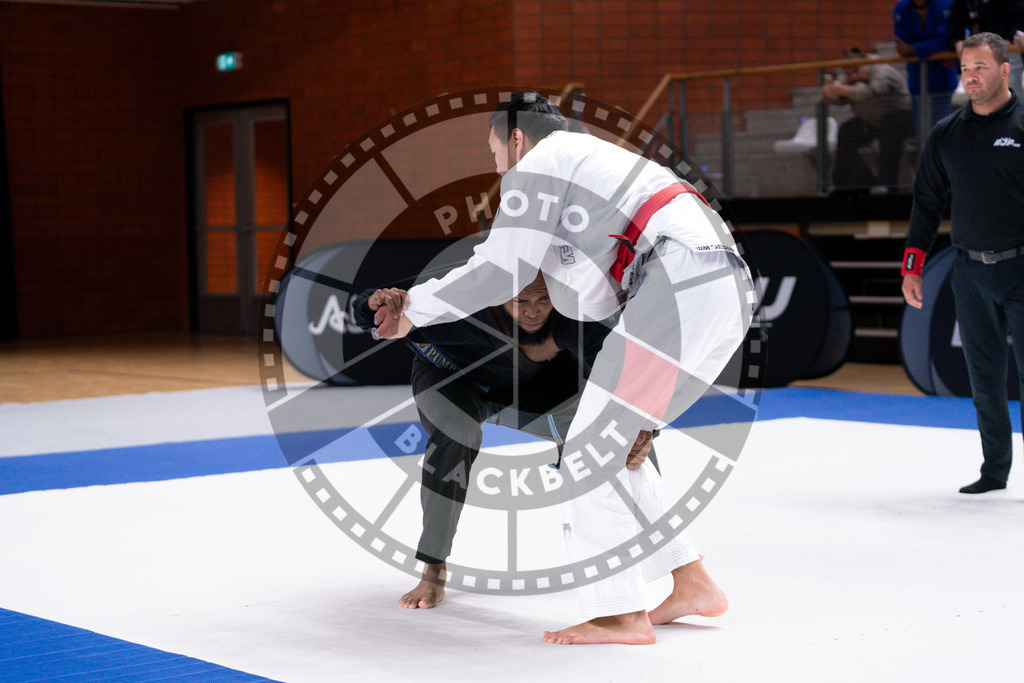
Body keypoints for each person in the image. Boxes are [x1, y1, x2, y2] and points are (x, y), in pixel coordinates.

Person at [375, 92, 752, 644]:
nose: (497, 164)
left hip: (674, 283)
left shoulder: (539, 165)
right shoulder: (597, 165)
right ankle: (690, 580)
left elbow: (500, 272)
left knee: (587, 452)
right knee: (619, 451)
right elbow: (590, 301)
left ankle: (620, 613)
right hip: (722, 289)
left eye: (494, 149)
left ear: (517, 139)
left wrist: (414, 308)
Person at [355, 274, 725, 615]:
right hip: (451, 382)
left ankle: (679, 570)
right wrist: (372, 303)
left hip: (535, 392)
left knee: (623, 441)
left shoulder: (573, 315)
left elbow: (628, 376)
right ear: (499, 297)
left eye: (542, 300)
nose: (532, 311)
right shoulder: (456, 296)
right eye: (520, 301)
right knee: (456, 436)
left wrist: (645, 431)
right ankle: (434, 567)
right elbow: (366, 308)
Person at [901, 32, 1024, 494]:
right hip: (969, 272)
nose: (971, 76)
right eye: (965, 69)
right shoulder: (947, 134)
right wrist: (912, 266)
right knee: (984, 376)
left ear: (1005, 69)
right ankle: (994, 472)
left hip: (1021, 268)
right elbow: (926, 204)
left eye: (981, 67)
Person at [823, 48, 916, 193]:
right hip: (874, 122)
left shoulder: (882, 69)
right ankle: (848, 183)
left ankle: (887, 184)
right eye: (849, 73)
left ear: (866, 63)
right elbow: (838, 96)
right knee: (847, 131)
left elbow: (873, 91)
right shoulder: (849, 78)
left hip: (904, 116)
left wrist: (844, 90)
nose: (853, 77)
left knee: (890, 127)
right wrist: (828, 94)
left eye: (856, 71)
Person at [894, 0, 960, 125]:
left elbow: (944, 40)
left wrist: (914, 49)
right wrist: (927, 48)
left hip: (942, 74)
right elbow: (902, 43)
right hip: (916, 75)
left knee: (941, 122)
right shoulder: (902, 7)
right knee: (920, 124)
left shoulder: (944, 4)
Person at [948, 0, 1024, 98]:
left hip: (1006, 52)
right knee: (978, 95)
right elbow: (954, 28)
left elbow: (1020, 18)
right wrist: (957, 42)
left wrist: (1010, 38)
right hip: (977, 55)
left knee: (1009, 92)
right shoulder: (964, 3)